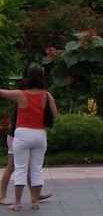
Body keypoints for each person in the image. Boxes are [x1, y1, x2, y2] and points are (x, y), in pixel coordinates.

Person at [0, 67, 57, 211]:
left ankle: (17, 203)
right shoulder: (46, 96)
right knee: (36, 169)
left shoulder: (21, 95)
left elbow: (2, 92)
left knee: (20, 169)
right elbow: (55, 114)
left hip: (23, 133)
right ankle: (35, 201)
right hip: (39, 134)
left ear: (28, 79)